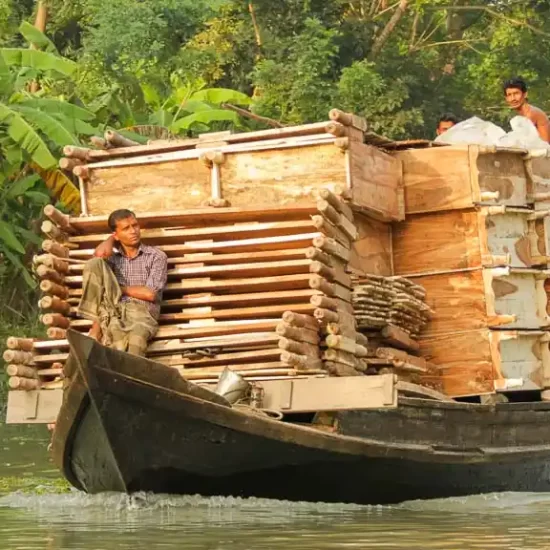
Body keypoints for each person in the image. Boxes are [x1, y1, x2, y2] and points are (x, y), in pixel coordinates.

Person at [77, 209, 168, 357]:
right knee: (115, 346)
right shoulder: (113, 260)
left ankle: (131, 379)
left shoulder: (156, 256)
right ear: (116, 235)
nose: (133, 231)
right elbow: (98, 257)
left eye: (135, 225)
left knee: (135, 344)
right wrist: (110, 240)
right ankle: (95, 328)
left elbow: (150, 294)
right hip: (116, 313)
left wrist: (117, 289)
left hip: (142, 315)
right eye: (126, 228)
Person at [503, 77, 550, 142]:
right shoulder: (523, 114)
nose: (513, 98)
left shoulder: (531, 113)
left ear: (525, 94)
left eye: (516, 93)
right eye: (509, 95)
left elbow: (523, 140)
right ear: (506, 98)